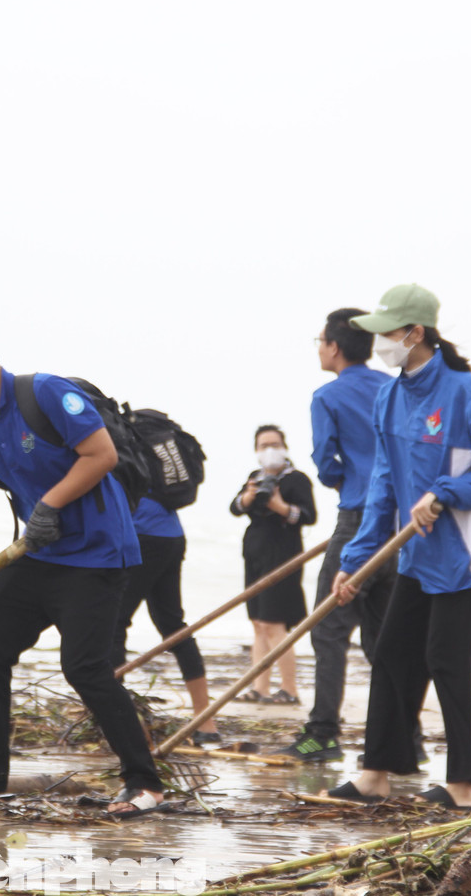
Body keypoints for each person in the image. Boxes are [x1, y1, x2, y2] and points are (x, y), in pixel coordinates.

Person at [0, 321, 165, 815]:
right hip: (39, 555)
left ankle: (144, 783)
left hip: (97, 554)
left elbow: (101, 454)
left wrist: (48, 504)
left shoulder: (45, 394)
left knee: (84, 668)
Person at [323, 284, 471, 810]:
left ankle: (463, 785)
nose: (381, 344)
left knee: (446, 660)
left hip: (460, 553)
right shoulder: (391, 395)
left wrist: (446, 493)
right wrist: (356, 563)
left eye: (388, 333)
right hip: (414, 554)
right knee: (392, 654)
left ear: (415, 334)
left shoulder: (462, 392)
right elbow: (382, 488)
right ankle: (375, 774)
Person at [273, 309, 397, 762]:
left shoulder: (327, 396)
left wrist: (346, 480)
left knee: (329, 630)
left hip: (359, 519)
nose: (319, 347)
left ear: (334, 347)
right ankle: (404, 737)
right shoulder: (393, 387)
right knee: (384, 636)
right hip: (401, 525)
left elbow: (326, 466)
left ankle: (323, 731)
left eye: (320, 340)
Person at [110, 496, 221, 745]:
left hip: (142, 533)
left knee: (114, 623)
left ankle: (115, 721)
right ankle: (206, 722)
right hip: (170, 534)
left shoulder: (119, 454)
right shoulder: (158, 455)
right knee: (173, 625)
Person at [229, 426, 316, 704]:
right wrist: (248, 497)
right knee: (258, 623)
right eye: (264, 445)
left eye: (275, 444)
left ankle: (290, 689)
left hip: (283, 554)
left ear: (285, 446)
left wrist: (280, 506)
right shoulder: (255, 478)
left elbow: (309, 515)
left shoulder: (296, 479)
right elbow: (235, 507)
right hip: (254, 553)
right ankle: (260, 687)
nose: (269, 450)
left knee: (274, 623)